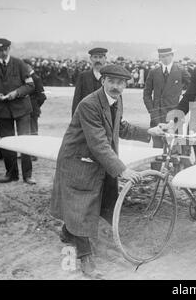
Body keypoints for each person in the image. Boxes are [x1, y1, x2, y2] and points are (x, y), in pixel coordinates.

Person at [50, 64, 163, 277]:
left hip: (97, 159)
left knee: (100, 199)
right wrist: (122, 170)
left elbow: (120, 127)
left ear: (125, 86)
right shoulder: (89, 104)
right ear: (103, 81)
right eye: (112, 81)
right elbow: (99, 143)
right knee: (82, 204)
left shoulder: (116, 101)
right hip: (78, 160)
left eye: (121, 83)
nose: (116, 87)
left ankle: (67, 231)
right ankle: (85, 258)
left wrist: (149, 131)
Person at [0, 38, 36, 184]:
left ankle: (28, 175)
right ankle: (11, 173)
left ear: (9, 49)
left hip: (21, 109)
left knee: (25, 141)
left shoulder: (19, 64)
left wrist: (16, 93)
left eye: (5, 49)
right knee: (7, 143)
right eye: (0, 50)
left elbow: (31, 86)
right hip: (2, 111)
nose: (3, 52)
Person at [143, 45, 190, 148]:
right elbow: (146, 93)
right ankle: (157, 164)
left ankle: (178, 163)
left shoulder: (181, 70)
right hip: (157, 115)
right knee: (157, 148)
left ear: (172, 55)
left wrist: (183, 102)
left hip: (174, 114)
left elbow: (193, 89)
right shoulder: (153, 72)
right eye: (162, 56)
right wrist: (152, 110)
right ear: (159, 57)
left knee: (175, 147)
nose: (165, 59)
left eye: (167, 56)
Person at [71, 47, 108, 115]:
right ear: (90, 58)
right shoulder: (83, 76)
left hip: (105, 119)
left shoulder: (110, 77)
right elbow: (77, 100)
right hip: (87, 117)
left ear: (105, 58)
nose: (98, 60)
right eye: (95, 57)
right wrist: (74, 120)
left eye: (100, 57)